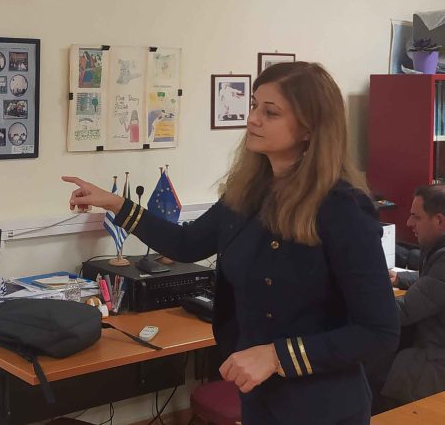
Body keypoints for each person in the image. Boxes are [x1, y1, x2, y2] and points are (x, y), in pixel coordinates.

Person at [63, 61, 398, 424]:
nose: (252, 119)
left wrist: (276, 356)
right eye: (254, 105)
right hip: (259, 394)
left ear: (309, 128)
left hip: (322, 404)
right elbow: (186, 244)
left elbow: (378, 332)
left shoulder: (342, 208)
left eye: (270, 112)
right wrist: (116, 204)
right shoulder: (248, 193)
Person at [379, 184, 445, 407]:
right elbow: (434, 283)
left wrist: (356, 298)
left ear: (439, 221)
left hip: (436, 363)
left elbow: (403, 311)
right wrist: (400, 278)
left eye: (416, 217)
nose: (409, 223)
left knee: (367, 376)